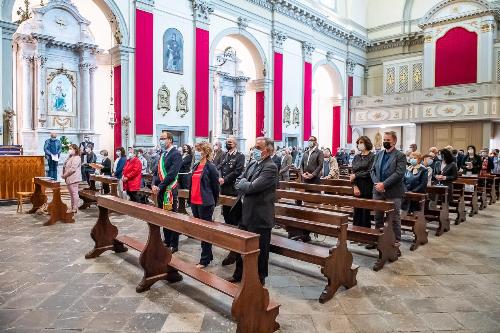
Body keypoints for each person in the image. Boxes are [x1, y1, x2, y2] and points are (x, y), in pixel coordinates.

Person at [228, 137, 278, 285]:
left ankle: (258, 280)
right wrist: (244, 183)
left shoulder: (270, 167)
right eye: (254, 147)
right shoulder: (252, 163)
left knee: (260, 250)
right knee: (241, 246)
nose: (254, 150)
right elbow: (239, 181)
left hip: (259, 215)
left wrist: (244, 184)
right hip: (245, 212)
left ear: (267, 151)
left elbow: (252, 187)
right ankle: (238, 275)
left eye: (258, 148)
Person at [370, 131, 406, 255]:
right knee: (378, 217)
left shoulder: (400, 155)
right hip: (378, 191)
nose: (385, 142)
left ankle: (396, 244)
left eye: (388, 140)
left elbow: (399, 173)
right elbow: (372, 170)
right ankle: (379, 240)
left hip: (393, 192)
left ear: (394, 141)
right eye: (384, 140)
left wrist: (384, 184)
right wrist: (377, 184)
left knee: (394, 218)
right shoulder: (379, 154)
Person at [189, 142, 220, 268]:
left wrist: (213, 201)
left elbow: (215, 187)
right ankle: (209, 255)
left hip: (205, 203)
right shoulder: (196, 165)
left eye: (199, 150)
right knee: (200, 231)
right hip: (194, 201)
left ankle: (205, 259)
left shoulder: (211, 167)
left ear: (205, 152)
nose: (196, 152)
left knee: (205, 232)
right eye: (196, 150)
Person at [152, 131, 182, 251]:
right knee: (164, 216)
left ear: (170, 140)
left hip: (169, 190)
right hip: (160, 189)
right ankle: (167, 240)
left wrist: (160, 186)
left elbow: (172, 173)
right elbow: (156, 171)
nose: (161, 140)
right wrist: (154, 184)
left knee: (171, 217)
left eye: (163, 138)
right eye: (160, 138)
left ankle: (174, 244)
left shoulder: (176, 154)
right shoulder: (163, 154)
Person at [217, 136, 245, 266]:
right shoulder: (224, 155)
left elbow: (237, 171)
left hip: (233, 190)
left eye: (229, 142)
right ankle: (231, 246)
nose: (227, 144)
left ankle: (236, 248)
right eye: (226, 142)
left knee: (234, 219)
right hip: (224, 189)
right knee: (226, 216)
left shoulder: (240, 156)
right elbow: (219, 167)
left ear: (235, 144)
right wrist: (219, 177)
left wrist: (225, 179)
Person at [351, 136, 375, 230]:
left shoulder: (372, 156)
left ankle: (365, 234)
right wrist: (354, 186)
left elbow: (370, 172)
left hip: (367, 186)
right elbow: (352, 172)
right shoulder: (356, 157)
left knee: (365, 212)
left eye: (361, 142)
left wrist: (357, 175)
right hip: (356, 186)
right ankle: (355, 233)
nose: (359, 145)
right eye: (358, 143)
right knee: (357, 211)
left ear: (367, 143)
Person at [62, 144, 82, 213]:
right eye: (69, 149)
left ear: (75, 149)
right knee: (72, 194)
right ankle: (72, 206)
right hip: (69, 178)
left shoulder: (77, 158)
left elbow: (73, 169)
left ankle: (75, 208)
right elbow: (66, 166)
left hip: (73, 178)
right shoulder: (71, 157)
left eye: (71, 149)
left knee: (74, 193)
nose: (69, 150)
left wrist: (65, 175)